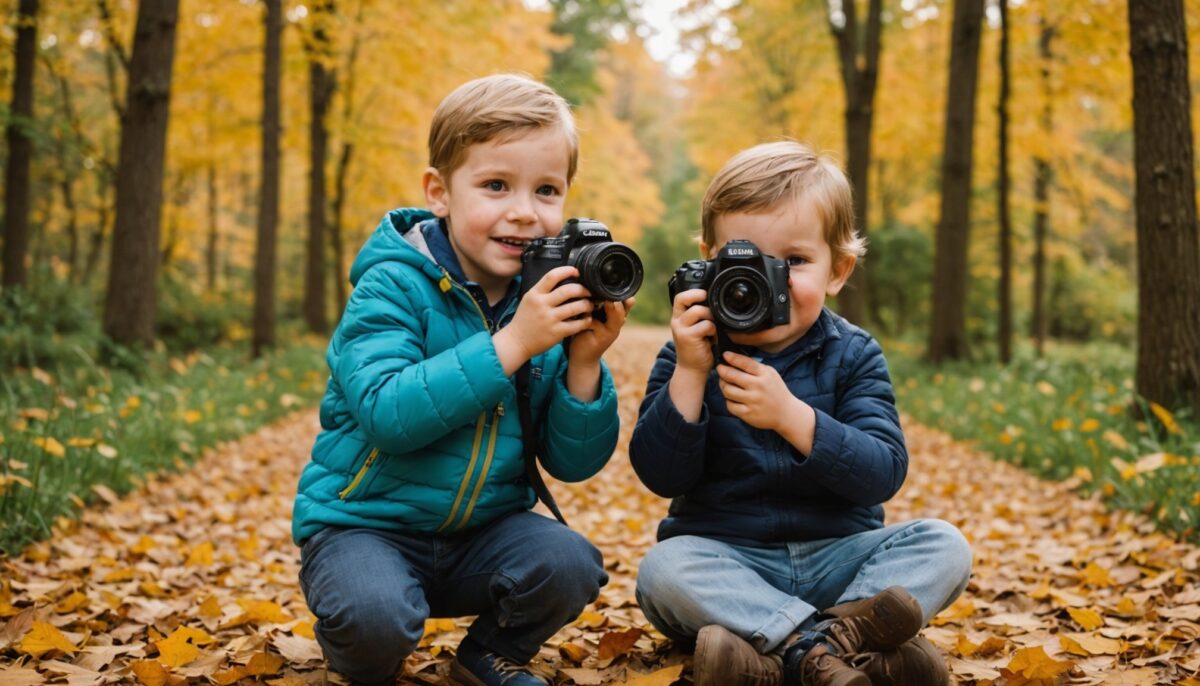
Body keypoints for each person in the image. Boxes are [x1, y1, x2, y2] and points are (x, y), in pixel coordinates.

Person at [291, 73, 635, 686]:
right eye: (496, 185)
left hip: (482, 536)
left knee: (570, 563)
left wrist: (584, 362)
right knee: (375, 620)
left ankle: (487, 653)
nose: (525, 212)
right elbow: (388, 415)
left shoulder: (545, 300)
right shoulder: (391, 285)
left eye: (547, 190)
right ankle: (362, 650)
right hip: (366, 526)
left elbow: (573, 463)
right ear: (439, 192)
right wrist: (513, 344)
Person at [629, 141, 972, 686]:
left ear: (837, 270)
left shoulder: (854, 352)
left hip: (842, 561)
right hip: (731, 561)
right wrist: (692, 374)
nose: (769, 281)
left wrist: (794, 418)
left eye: (793, 261)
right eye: (746, 260)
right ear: (709, 260)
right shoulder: (689, 351)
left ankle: (784, 653)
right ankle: (846, 653)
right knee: (663, 570)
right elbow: (659, 474)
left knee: (944, 544)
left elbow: (882, 473)